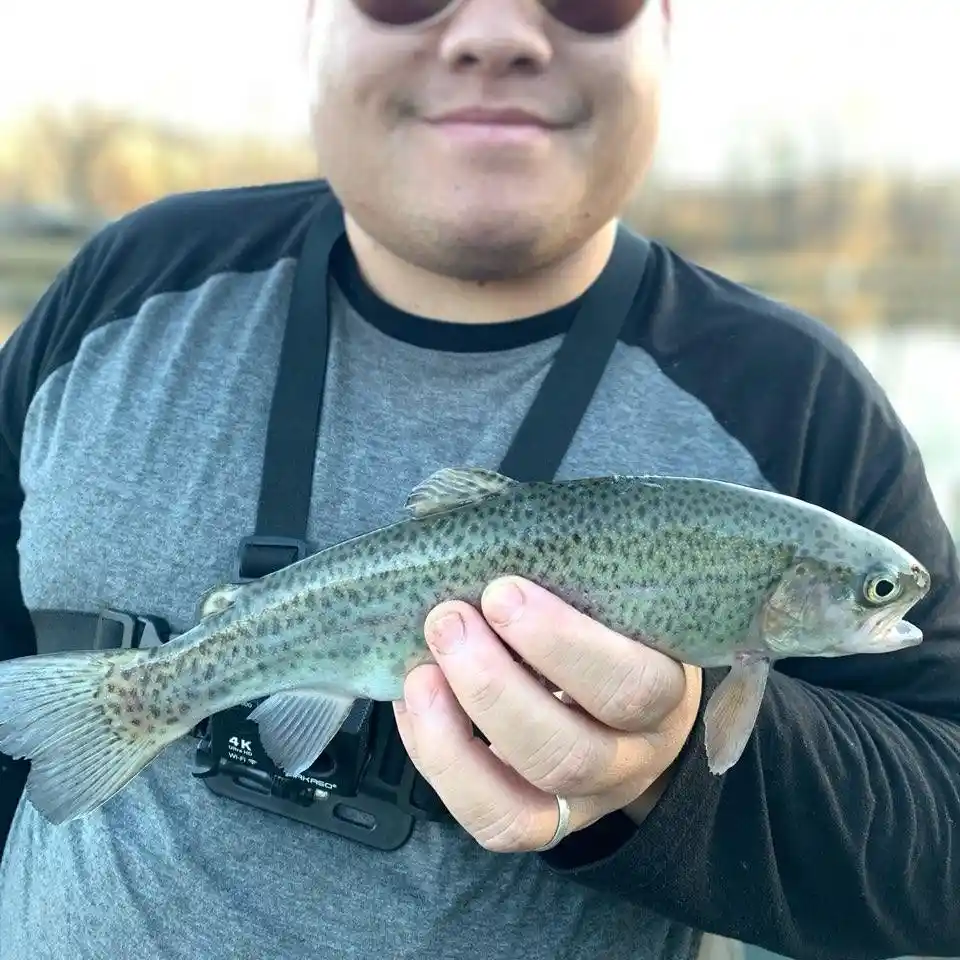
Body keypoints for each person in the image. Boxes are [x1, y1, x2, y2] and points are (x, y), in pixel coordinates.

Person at [1, 1, 959, 958]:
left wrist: (667, 778)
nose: (497, 32)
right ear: (312, 22)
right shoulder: (122, 282)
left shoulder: (800, 400)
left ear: (663, 29)